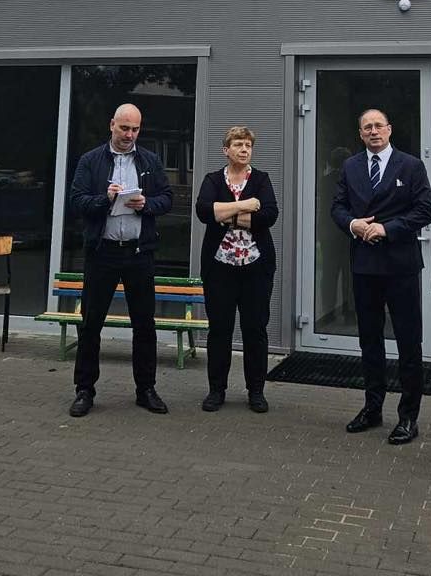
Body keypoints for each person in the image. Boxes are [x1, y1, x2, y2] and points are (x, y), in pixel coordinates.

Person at [330, 108, 431, 444]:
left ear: (389, 130)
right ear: (360, 134)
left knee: (408, 341)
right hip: (364, 265)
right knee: (370, 340)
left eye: (378, 126)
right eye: (367, 127)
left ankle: (408, 416)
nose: (373, 131)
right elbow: (337, 207)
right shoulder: (351, 167)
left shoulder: (411, 165)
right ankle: (372, 408)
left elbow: (426, 210)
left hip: (400, 265)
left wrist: (387, 229)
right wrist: (353, 224)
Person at [67, 103, 174, 417]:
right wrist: (106, 198)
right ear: (111, 125)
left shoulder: (150, 160)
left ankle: (146, 389)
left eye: (135, 129)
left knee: (144, 324)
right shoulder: (91, 160)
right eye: (124, 128)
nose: (129, 135)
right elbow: (76, 201)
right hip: (103, 252)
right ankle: (84, 390)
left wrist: (147, 204)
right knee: (91, 323)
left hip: (139, 253)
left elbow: (167, 199)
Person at [194, 126, 279, 413]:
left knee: (255, 329)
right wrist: (245, 206)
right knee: (220, 329)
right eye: (238, 144)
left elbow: (268, 215)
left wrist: (225, 214)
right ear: (226, 150)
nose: (244, 150)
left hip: (256, 268)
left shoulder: (262, 179)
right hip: (220, 268)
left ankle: (256, 391)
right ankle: (216, 390)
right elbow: (204, 211)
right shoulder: (213, 179)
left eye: (248, 145)